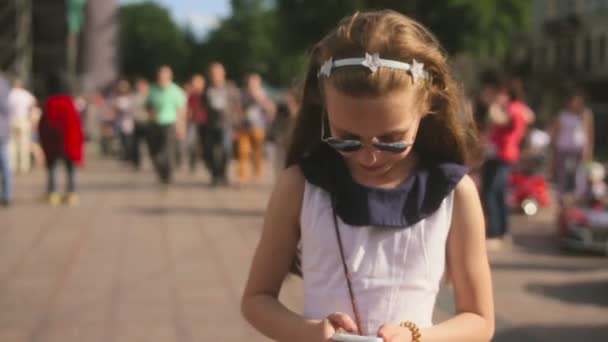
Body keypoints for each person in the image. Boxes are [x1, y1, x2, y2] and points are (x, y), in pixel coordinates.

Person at [241, 10, 494, 342]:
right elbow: (256, 300)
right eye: (346, 137)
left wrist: (417, 336)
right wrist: (311, 332)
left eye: (391, 139)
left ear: (426, 105)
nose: (369, 155)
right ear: (323, 110)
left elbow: (479, 319)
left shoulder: (455, 193)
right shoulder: (300, 185)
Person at [482, 82, 530, 249]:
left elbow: (500, 120)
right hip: (497, 156)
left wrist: (493, 104)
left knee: (493, 194)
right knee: (497, 194)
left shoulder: (514, 109)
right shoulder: (516, 108)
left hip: (503, 157)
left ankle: (497, 232)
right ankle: (501, 231)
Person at [39, 74, 85, 206]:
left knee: (52, 167)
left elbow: (44, 124)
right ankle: (72, 193)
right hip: (69, 141)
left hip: (53, 141)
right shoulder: (69, 102)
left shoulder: (49, 102)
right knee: (70, 168)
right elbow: (76, 123)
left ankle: (53, 193)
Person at [146, 65, 187, 184]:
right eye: (160, 75)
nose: (162, 77)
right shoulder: (153, 90)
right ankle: (161, 171)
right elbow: (148, 105)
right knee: (154, 152)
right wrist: (150, 113)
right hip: (155, 124)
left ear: (170, 76)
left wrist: (181, 127)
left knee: (167, 151)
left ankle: (168, 174)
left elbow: (181, 111)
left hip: (170, 124)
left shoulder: (176, 91)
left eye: (164, 75)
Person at [550, 88, 595, 194]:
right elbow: (556, 133)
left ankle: (578, 197)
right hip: (563, 148)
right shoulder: (562, 115)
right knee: (563, 176)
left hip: (579, 149)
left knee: (580, 175)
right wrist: (554, 152)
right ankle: (563, 197)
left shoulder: (585, 114)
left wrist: (588, 150)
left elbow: (589, 133)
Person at [204, 62, 242, 186]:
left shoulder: (230, 88)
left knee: (226, 150)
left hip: (227, 125)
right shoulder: (207, 89)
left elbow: (237, 107)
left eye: (218, 72)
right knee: (209, 152)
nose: (215, 75)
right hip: (210, 125)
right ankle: (215, 175)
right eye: (213, 73)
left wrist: (237, 126)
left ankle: (223, 174)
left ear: (223, 73)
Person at [237, 73, 276, 184]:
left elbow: (271, 108)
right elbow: (238, 108)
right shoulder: (243, 93)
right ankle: (242, 176)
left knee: (257, 152)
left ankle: (257, 173)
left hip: (259, 126)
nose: (251, 84)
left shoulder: (263, 93)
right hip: (244, 126)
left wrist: (259, 98)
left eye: (254, 82)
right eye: (250, 82)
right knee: (243, 151)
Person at [7, 78, 36, 174]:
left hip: (11, 121)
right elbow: (33, 103)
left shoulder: (9, 94)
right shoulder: (25, 94)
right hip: (23, 120)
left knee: (12, 145)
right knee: (24, 145)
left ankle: (12, 166)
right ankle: (24, 167)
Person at [186, 74, 208, 172]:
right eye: (194, 82)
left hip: (206, 122)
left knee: (205, 143)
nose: (195, 84)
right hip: (193, 122)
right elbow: (186, 107)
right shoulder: (190, 95)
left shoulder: (207, 94)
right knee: (191, 143)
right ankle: (193, 161)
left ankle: (206, 160)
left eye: (198, 82)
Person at [130, 77, 151, 170]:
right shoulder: (134, 96)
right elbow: (131, 109)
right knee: (136, 144)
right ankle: (137, 162)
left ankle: (151, 159)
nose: (140, 87)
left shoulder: (150, 96)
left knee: (150, 144)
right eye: (139, 86)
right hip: (137, 122)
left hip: (148, 122)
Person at [0, 73, 12, 206]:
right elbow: (6, 108)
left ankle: (7, 195)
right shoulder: (3, 83)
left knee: (4, 164)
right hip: (2, 130)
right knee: (4, 165)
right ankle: (7, 195)